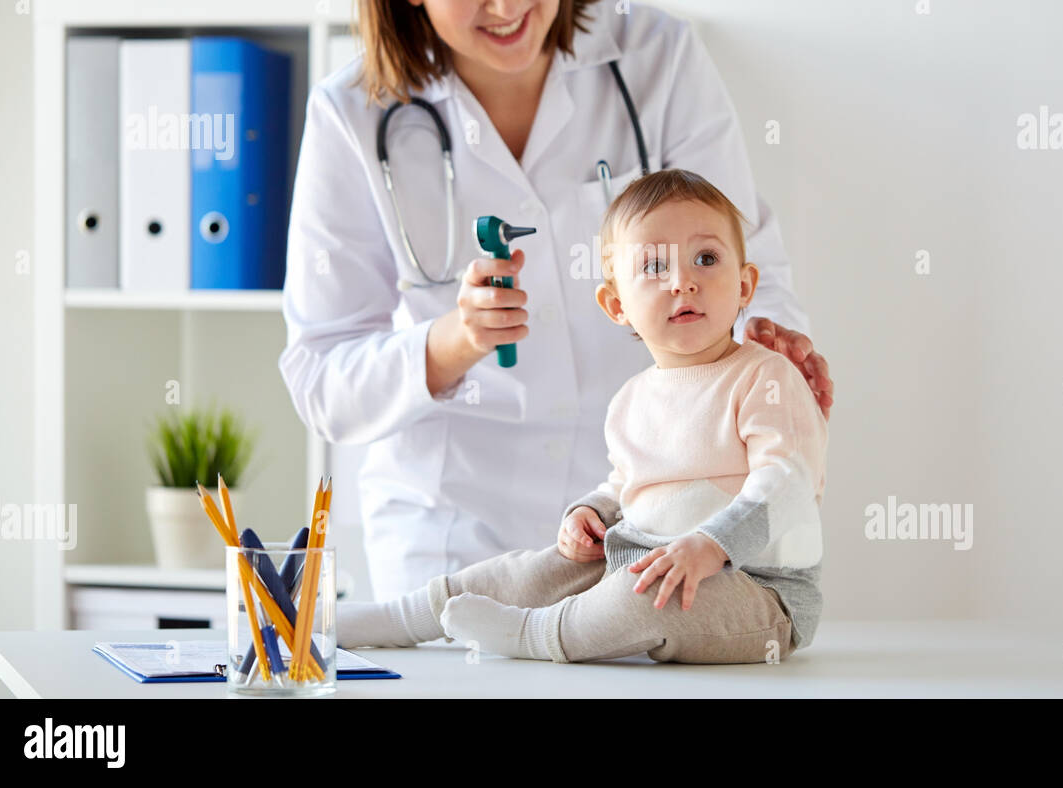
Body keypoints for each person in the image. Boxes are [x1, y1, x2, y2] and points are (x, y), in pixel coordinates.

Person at [278, 0, 833, 602]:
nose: (505, 2)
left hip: (650, 514)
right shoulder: (353, 116)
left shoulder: (655, 58)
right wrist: (453, 340)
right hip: (451, 531)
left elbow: (743, 259)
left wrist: (771, 345)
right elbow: (321, 381)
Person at [338, 170, 828, 663]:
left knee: (645, 600)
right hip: (646, 554)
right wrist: (591, 513)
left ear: (745, 285)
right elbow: (627, 486)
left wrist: (713, 545)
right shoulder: (633, 398)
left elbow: (786, 483)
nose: (683, 281)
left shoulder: (765, 377)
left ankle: (536, 635)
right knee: (533, 570)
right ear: (617, 304)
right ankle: (403, 617)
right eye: (655, 266)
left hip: (756, 591)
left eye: (706, 259)